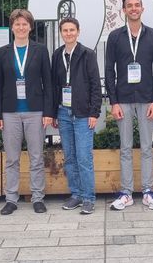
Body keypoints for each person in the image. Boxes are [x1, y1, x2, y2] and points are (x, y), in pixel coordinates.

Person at [105, 0, 153, 210]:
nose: (133, 8)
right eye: (129, 5)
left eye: (137, 5)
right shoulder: (115, 37)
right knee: (125, 148)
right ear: (124, 10)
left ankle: (148, 191)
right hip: (123, 99)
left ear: (142, 8)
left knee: (147, 147)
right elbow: (109, 71)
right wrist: (113, 102)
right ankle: (126, 193)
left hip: (147, 99)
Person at [0, 9, 54, 215]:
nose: (21, 27)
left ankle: (38, 197)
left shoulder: (40, 50)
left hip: (35, 111)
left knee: (36, 157)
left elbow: (48, 83)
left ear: (30, 27)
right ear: (12, 27)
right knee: (12, 159)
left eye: (24, 24)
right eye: (17, 24)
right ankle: (11, 199)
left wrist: (48, 112)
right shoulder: (3, 52)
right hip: (10, 112)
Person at [50, 18, 102, 215]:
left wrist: (94, 112)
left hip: (83, 113)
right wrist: (53, 112)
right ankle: (76, 194)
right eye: (65, 30)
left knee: (84, 158)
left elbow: (95, 85)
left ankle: (89, 198)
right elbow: (54, 86)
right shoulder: (57, 55)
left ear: (78, 32)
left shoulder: (88, 54)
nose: (69, 33)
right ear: (61, 33)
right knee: (70, 157)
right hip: (63, 112)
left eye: (72, 30)